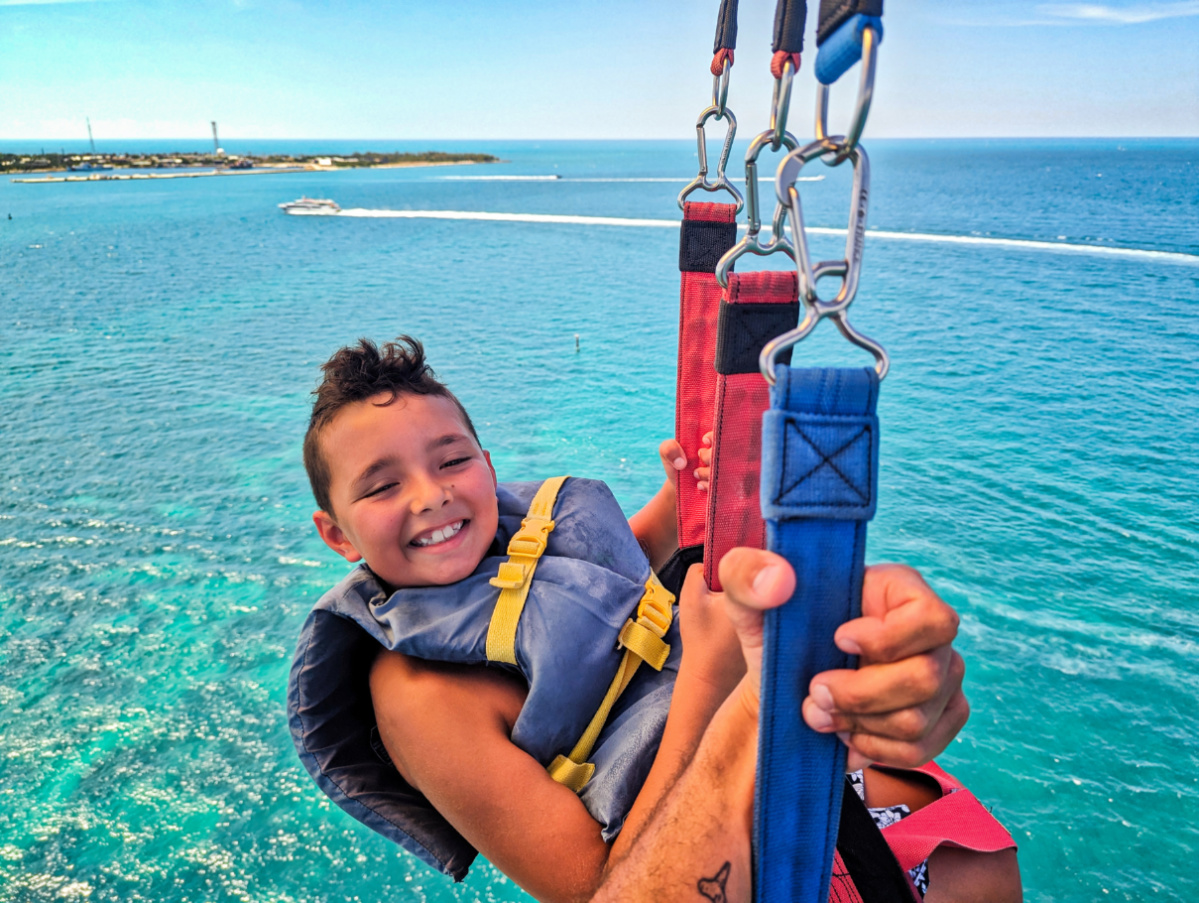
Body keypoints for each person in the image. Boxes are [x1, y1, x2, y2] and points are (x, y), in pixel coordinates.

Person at [292, 336, 1017, 903]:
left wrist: (679, 501)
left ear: (486, 464)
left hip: (831, 786)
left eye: (449, 461)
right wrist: (707, 670)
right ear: (339, 535)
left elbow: (601, 583)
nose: (429, 496)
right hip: (721, 845)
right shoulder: (418, 696)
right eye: (383, 485)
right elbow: (592, 889)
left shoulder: (514, 539)